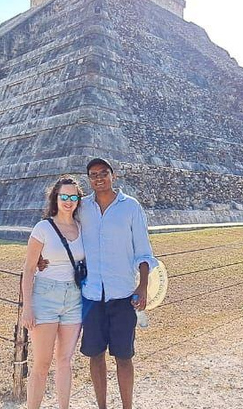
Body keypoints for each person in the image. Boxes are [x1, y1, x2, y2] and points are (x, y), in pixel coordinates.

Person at [79, 158, 158, 409]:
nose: (99, 178)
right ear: (89, 179)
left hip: (123, 294)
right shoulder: (82, 208)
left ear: (114, 176)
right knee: (95, 354)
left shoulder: (130, 207)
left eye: (104, 173)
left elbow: (143, 252)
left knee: (124, 356)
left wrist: (142, 285)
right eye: (93, 174)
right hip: (92, 295)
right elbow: (64, 236)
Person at [20, 176, 85, 409]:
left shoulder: (81, 227)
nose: (68, 201)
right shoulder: (43, 228)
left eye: (73, 197)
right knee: (42, 364)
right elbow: (28, 269)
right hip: (45, 296)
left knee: (66, 361)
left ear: (78, 200)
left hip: (74, 298)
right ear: (55, 198)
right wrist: (27, 307)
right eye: (64, 196)